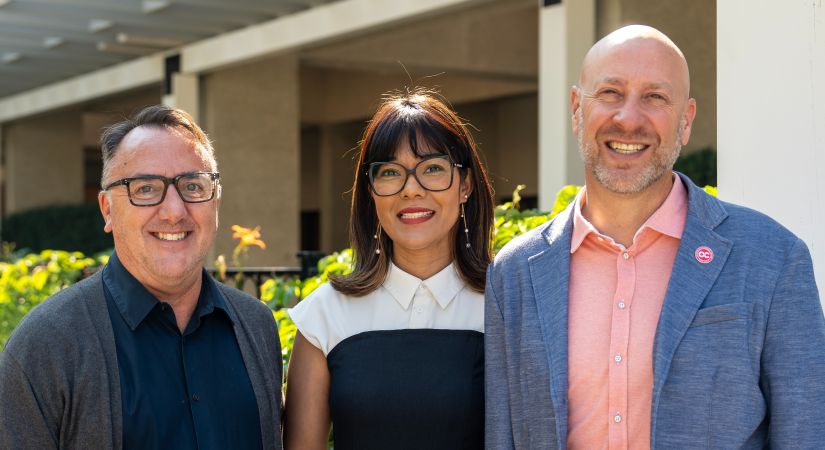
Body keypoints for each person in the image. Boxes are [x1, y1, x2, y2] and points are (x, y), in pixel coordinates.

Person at [485, 24, 825, 449]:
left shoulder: (773, 258)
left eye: (655, 97)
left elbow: (807, 434)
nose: (629, 119)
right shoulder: (514, 274)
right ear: (576, 110)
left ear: (686, 121)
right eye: (610, 93)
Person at [0, 105, 283, 450]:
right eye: (146, 188)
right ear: (107, 210)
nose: (174, 211)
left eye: (193, 186)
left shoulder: (256, 327)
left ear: (216, 202)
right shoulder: (47, 345)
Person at [284, 90, 495, 450]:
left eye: (432, 168)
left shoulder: (504, 307)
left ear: (466, 185)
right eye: (390, 172)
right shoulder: (325, 315)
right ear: (371, 192)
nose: (411, 190)